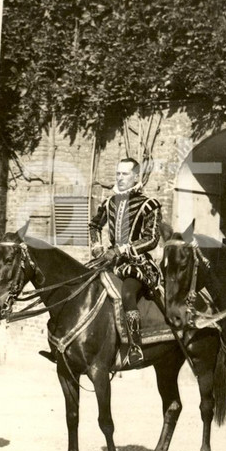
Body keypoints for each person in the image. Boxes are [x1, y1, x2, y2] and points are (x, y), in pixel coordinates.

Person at [88, 157, 163, 367]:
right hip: (111, 262)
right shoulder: (109, 202)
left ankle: (135, 346)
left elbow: (152, 238)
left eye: (125, 174)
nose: (120, 178)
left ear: (136, 176)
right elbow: (94, 225)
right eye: (118, 174)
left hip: (138, 264)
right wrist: (97, 247)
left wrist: (124, 249)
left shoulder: (150, 204)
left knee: (128, 293)